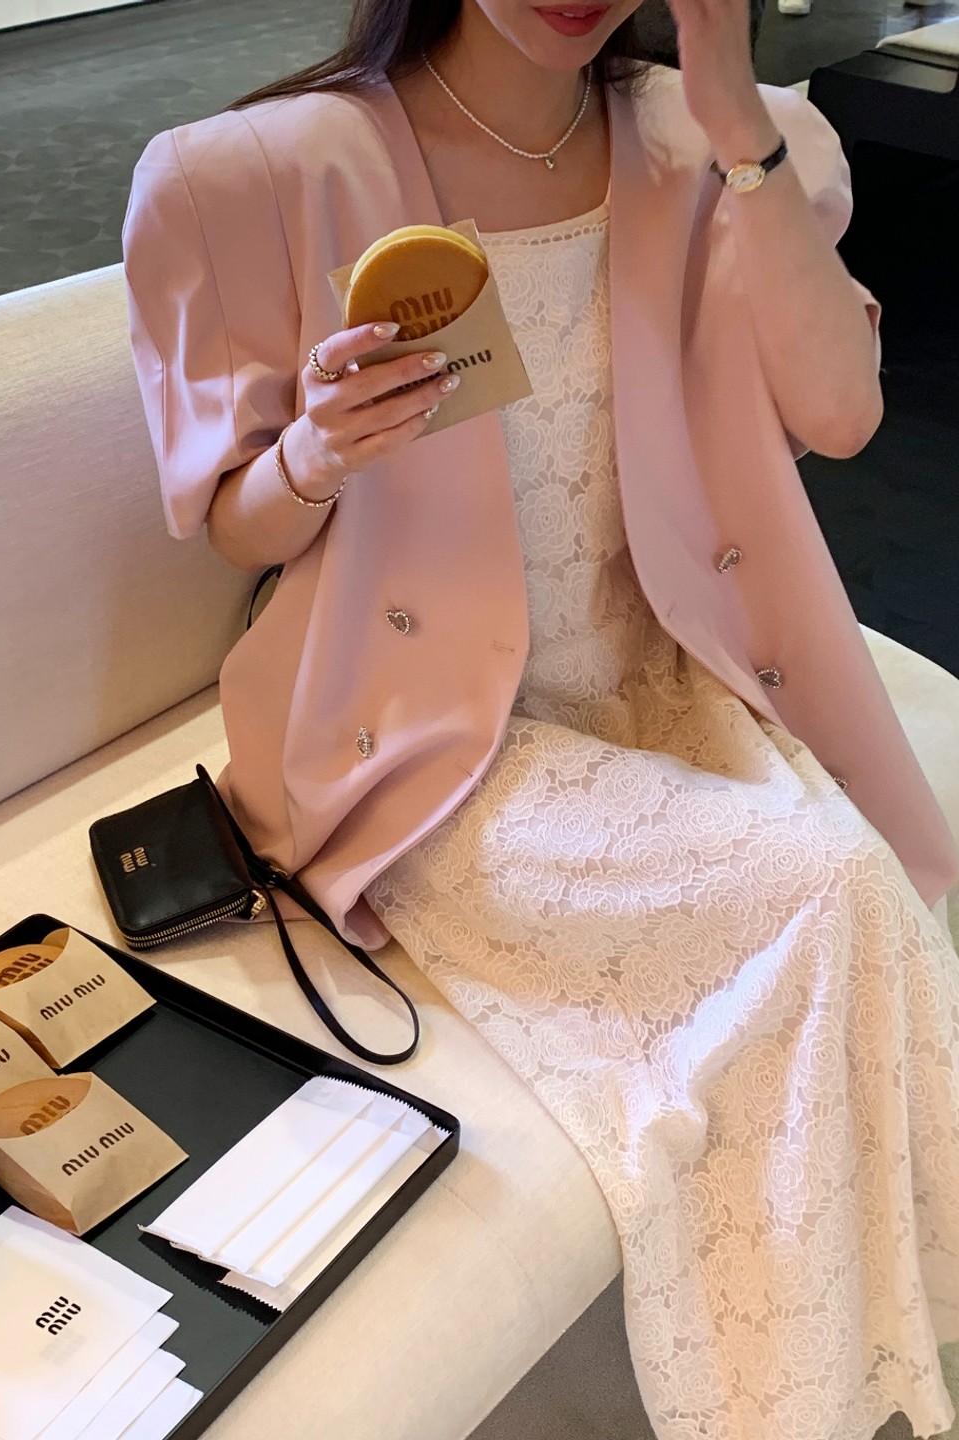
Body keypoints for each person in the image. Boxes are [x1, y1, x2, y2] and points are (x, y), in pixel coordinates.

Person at [121, 2, 959, 1436]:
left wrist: (733, 111)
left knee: (862, 905)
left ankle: (883, 1364)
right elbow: (234, 524)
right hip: (430, 737)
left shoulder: (711, 143)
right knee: (834, 886)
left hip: (668, 675)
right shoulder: (262, 173)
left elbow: (842, 416)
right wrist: (318, 450)